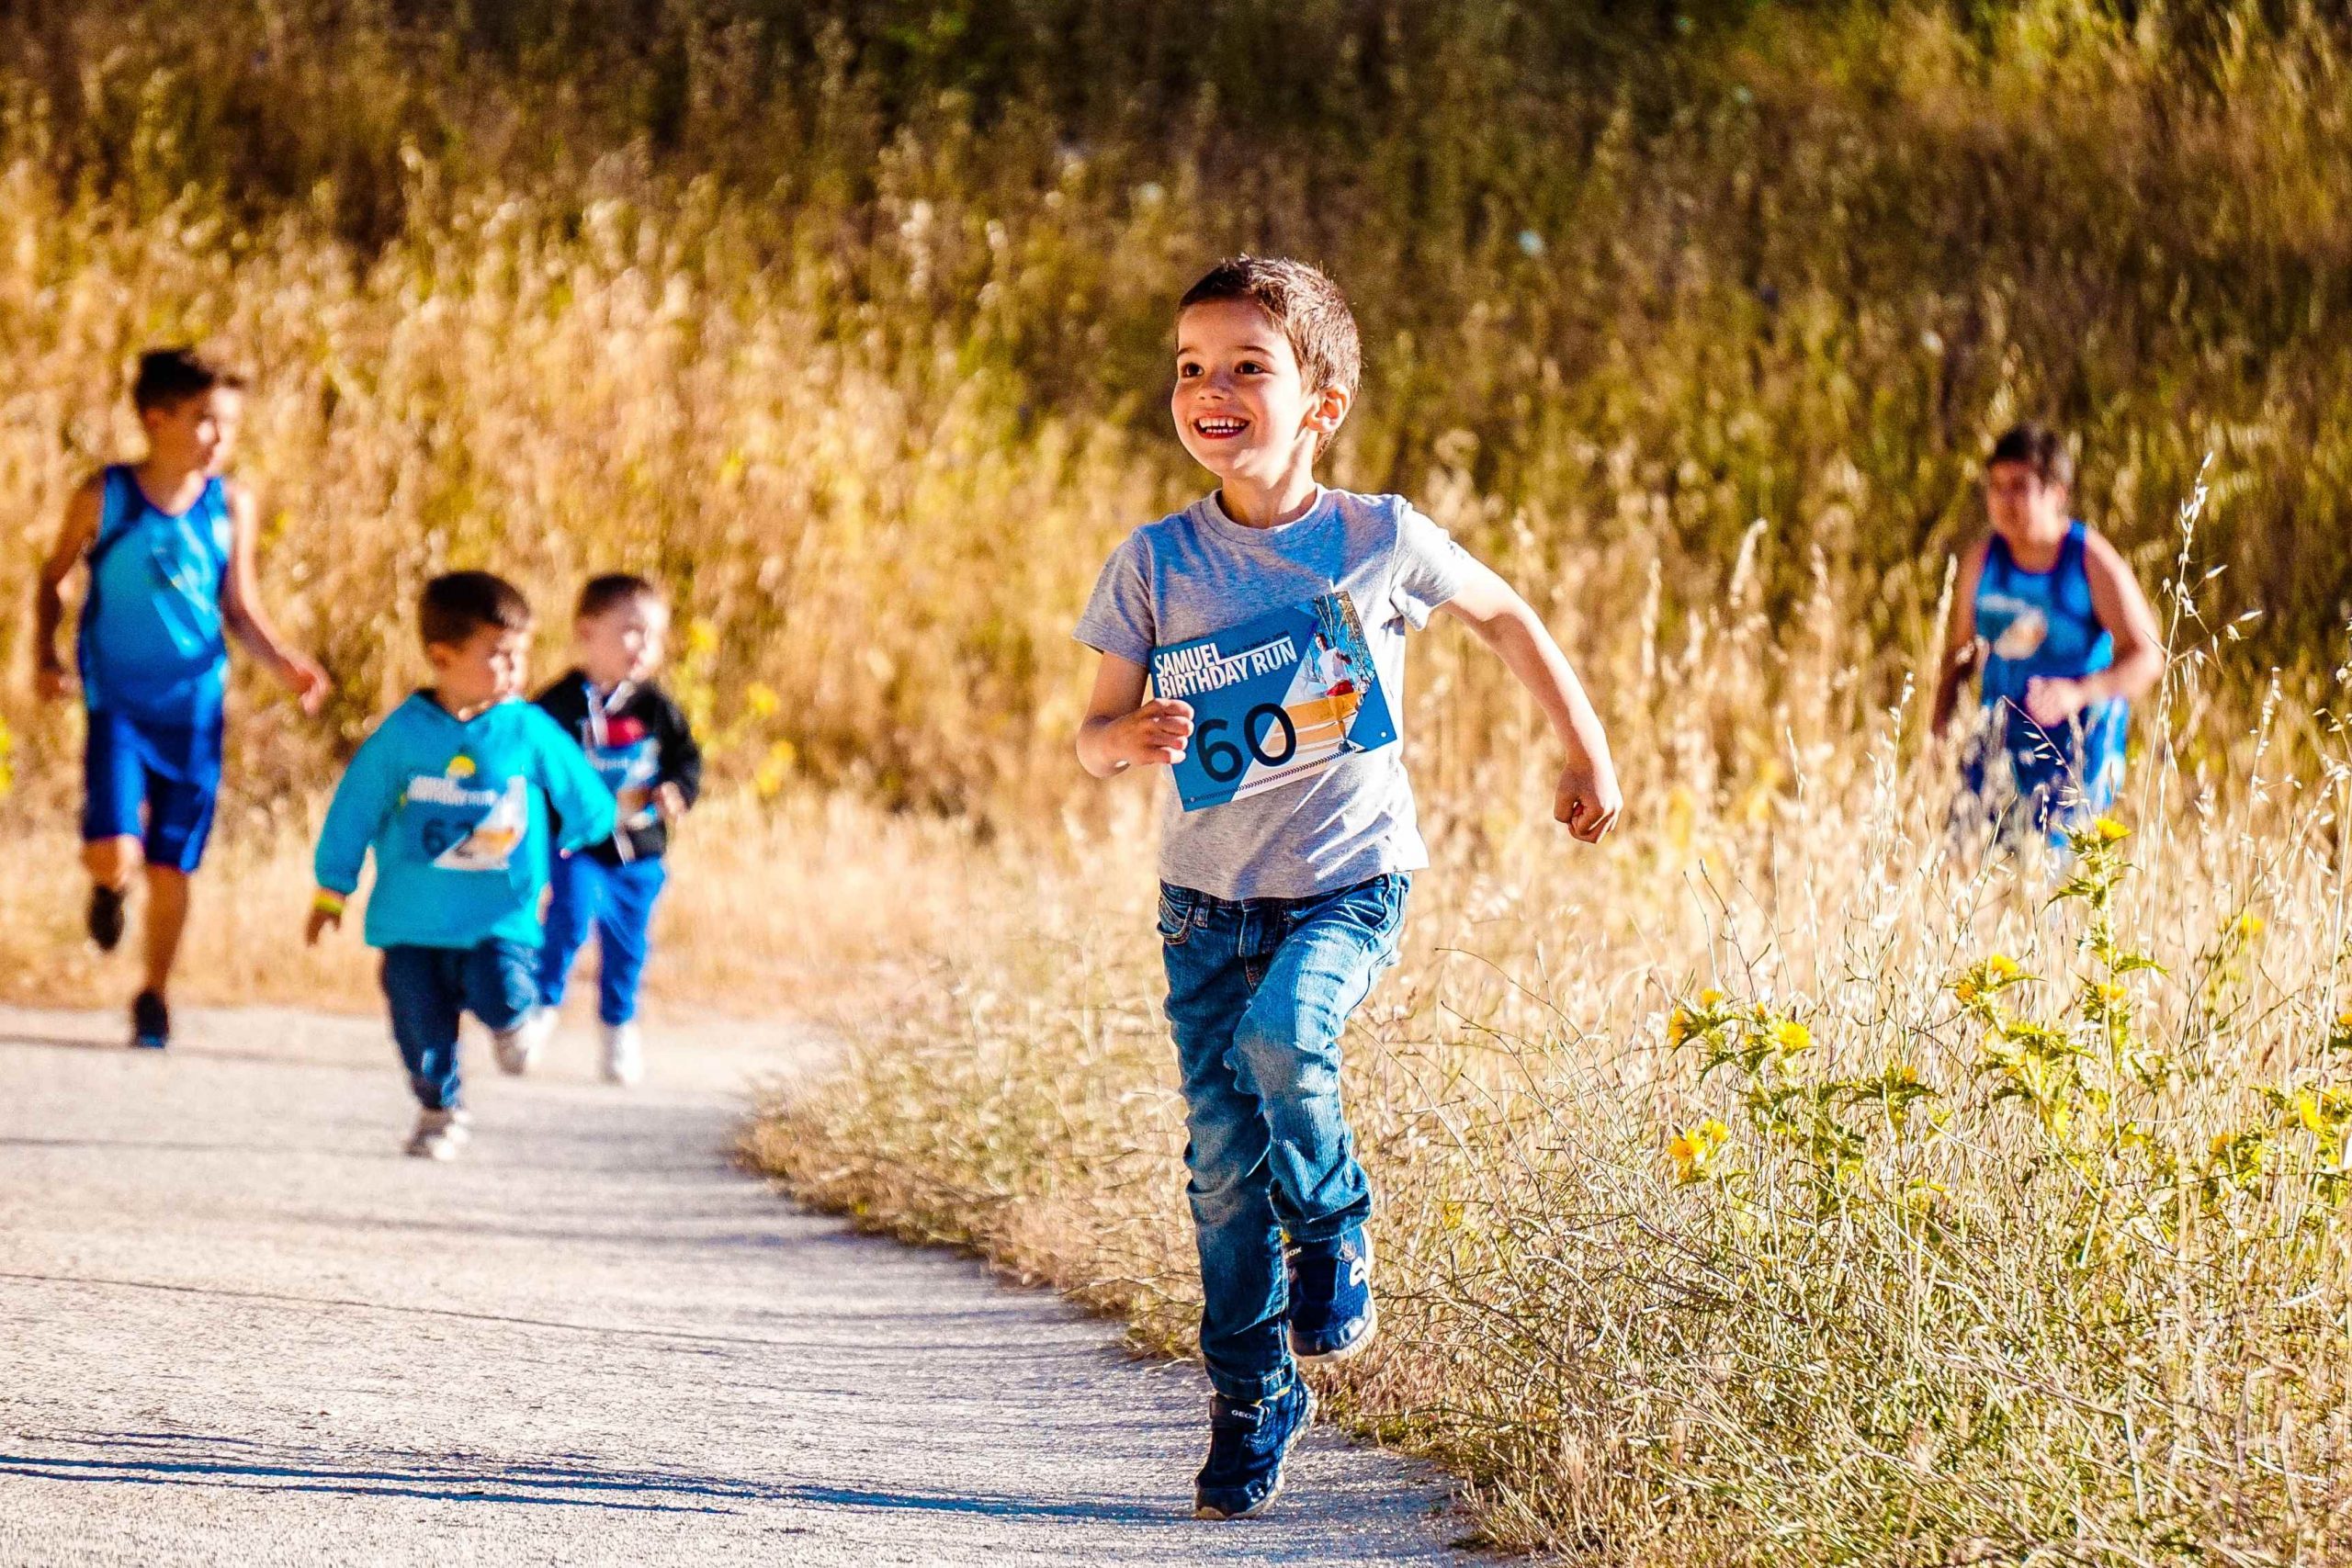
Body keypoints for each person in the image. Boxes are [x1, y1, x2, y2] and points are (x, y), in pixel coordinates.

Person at [1073, 255, 1621, 1519]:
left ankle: (1334, 1225)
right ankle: (1254, 1390)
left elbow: (1505, 616)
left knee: (1288, 1036)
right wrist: (1132, 737)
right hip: (1205, 907)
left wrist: (1585, 744)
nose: (1210, 389)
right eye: (1191, 367)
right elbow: (1092, 732)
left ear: (1319, 401)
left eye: (1246, 368)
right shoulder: (1154, 562)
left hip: (1348, 884)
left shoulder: (1377, 535)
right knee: (1218, 1167)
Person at [31, 347, 330, 1049]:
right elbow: (53, 579)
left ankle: (154, 993)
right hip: (118, 705)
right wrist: (44, 654)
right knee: (113, 850)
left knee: (173, 863)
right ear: (154, 418)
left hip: (194, 711)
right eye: (204, 421)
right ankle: (106, 890)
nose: (220, 437)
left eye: (228, 423)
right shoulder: (106, 495)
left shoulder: (230, 504)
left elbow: (239, 604)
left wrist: (284, 661)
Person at [305, 571, 615, 1160]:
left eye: (521, 655)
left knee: (500, 990)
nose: (515, 669)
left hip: (499, 916)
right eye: (498, 655)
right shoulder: (402, 736)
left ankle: (516, 1020)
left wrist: (585, 831)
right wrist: (331, 890)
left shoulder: (526, 727)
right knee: (419, 1026)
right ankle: (439, 1110)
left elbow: (582, 792)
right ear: (442, 657)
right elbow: (355, 811)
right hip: (411, 921)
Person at [504, 573, 702, 1087]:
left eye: (655, 636)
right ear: (587, 632)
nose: (644, 647)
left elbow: (685, 759)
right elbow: (526, 759)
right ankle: (540, 1012)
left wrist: (678, 789)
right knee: (568, 918)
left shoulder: (655, 708)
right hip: (575, 844)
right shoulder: (558, 704)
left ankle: (619, 1029)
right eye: (631, 631)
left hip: (638, 849)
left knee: (628, 943)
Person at [1930, 423, 2165, 846]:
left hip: (2078, 750)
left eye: (2019, 486)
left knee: (2049, 883)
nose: (2004, 501)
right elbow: (1960, 655)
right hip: (1999, 740)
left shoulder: (2090, 561)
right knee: (1962, 862)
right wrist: (1939, 731)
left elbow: (2148, 658)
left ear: (2057, 493)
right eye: (1996, 486)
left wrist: (2078, 692)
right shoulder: (1982, 561)